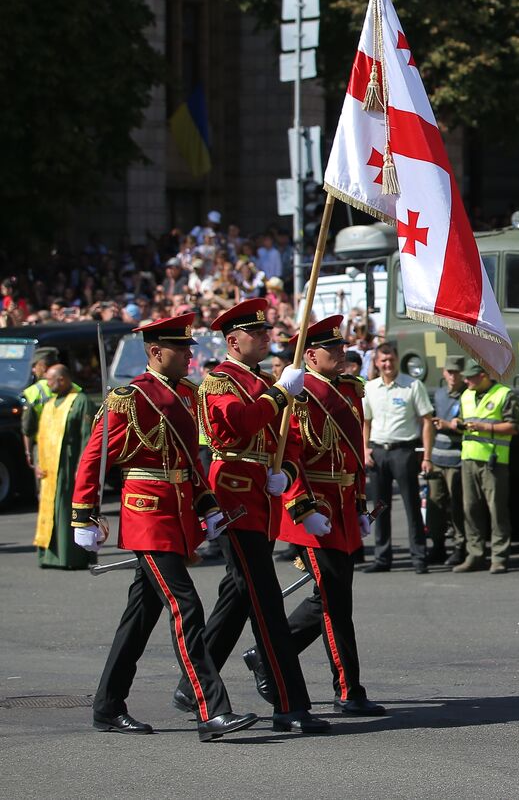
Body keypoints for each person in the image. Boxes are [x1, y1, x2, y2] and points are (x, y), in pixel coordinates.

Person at [73, 313, 258, 741]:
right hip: (146, 512)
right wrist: (84, 513)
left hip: (175, 513)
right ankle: (210, 708)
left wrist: (206, 504)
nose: (190, 356)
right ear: (156, 352)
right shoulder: (129, 396)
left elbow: (188, 462)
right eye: (182, 349)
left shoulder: (188, 395)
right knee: (185, 605)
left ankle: (107, 706)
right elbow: (93, 456)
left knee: (140, 616)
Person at [174, 298, 328, 734]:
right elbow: (233, 427)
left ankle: (192, 686)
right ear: (233, 341)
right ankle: (289, 703)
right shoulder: (219, 381)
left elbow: (285, 442)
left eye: (265, 333)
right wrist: (279, 393)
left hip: (261, 493)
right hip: (234, 496)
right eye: (255, 333)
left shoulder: (259, 380)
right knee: (264, 601)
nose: (264, 338)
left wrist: (288, 473)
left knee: (239, 593)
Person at [250, 315, 385, 716]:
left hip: (343, 506)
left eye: (343, 347)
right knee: (334, 600)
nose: (343, 353)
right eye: (334, 349)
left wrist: (360, 504)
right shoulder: (299, 392)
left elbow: (353, 458)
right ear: (310, 355)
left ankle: (267, 653)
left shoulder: (348, 389)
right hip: (314, 509)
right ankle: (348, 689)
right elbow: (287, 456)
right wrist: (302, 507)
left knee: (331, 596)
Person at [362, 342, 434, 574]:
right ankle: (382, 558)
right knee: (380, 508)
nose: (387, 364)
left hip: (404, 451)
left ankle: (418, 558)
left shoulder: (412, 385)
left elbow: (426, 421)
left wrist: (427, 455)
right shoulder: (370, 388)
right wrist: (364, 449)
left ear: (397, 359)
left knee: (411, 506)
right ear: (376, 362)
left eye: (391, 359)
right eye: (383, 360)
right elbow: (366, 422)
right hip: (378, 452)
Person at [459, 356, 519, 574]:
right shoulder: (466, 396)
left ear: (482, 376)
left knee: (496, 511)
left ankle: (499, 557)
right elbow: (464, 425)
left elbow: (513, 427)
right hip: (468, 459)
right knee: (470, 510)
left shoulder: (504, 394)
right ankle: (474, 555)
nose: (465, 382)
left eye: (470, 378)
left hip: (494, 462)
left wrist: (484, 427)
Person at [32, 364, 96, 569]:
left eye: (50, 380)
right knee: (50, 510)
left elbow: (88, 436)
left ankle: (71, 557)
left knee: (67, 509)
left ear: (62, 379)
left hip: (70, 464)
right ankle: (50, 556)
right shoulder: (50, 403)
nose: (47, 384)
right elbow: (41, 437)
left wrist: (82, 465)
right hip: (50, 468)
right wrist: (38, 463)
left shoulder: (80, 401)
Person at [427, 356, 468, 568]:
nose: (453, 376)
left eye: (457, 372)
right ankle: (437, 545)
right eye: (449, 372)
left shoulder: (467, 395)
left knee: (457, 507)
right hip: (437, 457)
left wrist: (451, 425)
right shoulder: (439, 394)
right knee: (435, 505)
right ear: (444, 373)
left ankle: (460, 547)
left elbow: (467, 425)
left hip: (456, 458)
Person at [20, 347, 58, 471]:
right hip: (68, 446)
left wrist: (28, 452)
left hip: (44, 449)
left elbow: (28, 428)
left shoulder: (33, 392)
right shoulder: (74, 389)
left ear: (43, 366)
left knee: (45, 487)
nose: (33, 370)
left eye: (35, 365)